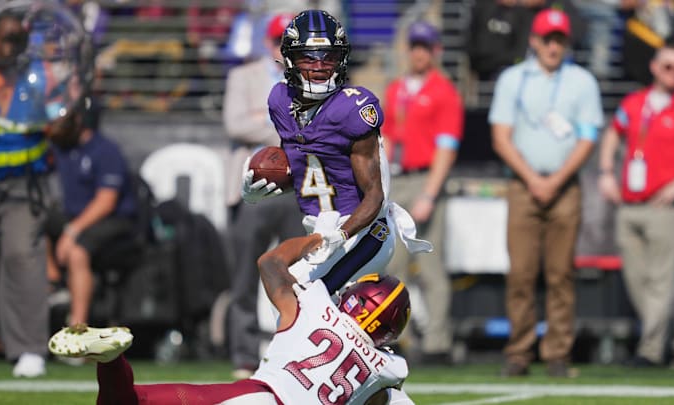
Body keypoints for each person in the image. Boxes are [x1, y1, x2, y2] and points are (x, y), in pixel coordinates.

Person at [49, 234, 414, 405]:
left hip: (255, 398)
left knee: (135, 401)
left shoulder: (316, 305)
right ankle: (112, 362)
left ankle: (112, 360)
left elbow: (269, 264)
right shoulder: (388, 369)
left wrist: (313, 240)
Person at [241, 9, 432, 295]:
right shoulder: (281, 100)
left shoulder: (352, 109)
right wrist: (262, 190)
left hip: (365, 234)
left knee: (297, 296)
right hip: (323, 233)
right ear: (290, 59)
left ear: (340, 60)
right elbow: (306, 173)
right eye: (309, 57)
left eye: (327, 58)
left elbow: (375, 196)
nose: (319, 66)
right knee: (312, 312)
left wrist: (339, 234)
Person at [488, 8, 604, 377]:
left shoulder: (582, 81)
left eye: (559, 39)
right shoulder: (512, 79)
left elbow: (588, 138)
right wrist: (533, 179)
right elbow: (501, 137)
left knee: (560, 274)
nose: (553, 46)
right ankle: (519, 352)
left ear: (566, 42)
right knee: (521, 273)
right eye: (547, 38)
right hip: (524, 185)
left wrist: (554, 181)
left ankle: (557, 353)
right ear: (534, 40)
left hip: (565, 185)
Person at [598, 43, 674, 367]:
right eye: (669, 67)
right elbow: (613, 134)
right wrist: (606, 171)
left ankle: (650, 350)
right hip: (628, 204)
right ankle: (661, 336)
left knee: (660, 282)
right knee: (637, 280)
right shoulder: (635, 102)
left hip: (661, 206)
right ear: (654, 67)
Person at [223, 12, 306, 378]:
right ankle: (243, 353)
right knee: (243, 274)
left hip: (296, 187)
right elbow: (235, 123)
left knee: (299, 274)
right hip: (253, 185)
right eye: (277, 40)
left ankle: (296, 350)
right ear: (267, 43)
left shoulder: (309, 80)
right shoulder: (244, 76)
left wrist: (265, 121)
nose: (281, 48)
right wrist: (282, 127)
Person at [0, 9, 53, 378]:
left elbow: (62, 131)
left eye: (18, 41)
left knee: (22, 256)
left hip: (25, 185)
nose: (12, 48)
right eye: (5, 40)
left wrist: (63, 119)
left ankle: (29, 349)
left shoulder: (37, 78)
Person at [380, 20, 463, 364]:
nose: (418, 53)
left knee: (430, 265)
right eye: (415, 46)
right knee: (394, 265)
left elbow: (446, 146)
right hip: (397, 180)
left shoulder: (444, 91)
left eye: (425, 47)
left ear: (435, 51)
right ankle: (397, 337)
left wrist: (430, 192)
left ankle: (438, 341)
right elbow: (384, 140)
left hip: (425, 177)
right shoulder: (396, 89)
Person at [43, 89, 137, 329]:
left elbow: (106, 201)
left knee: (77, 252)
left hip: (112, 221)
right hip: (75, 218)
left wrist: (72, 231)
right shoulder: (60, 149)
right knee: (33, 225)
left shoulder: (106, 150)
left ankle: (77, 329)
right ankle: (54, 286)